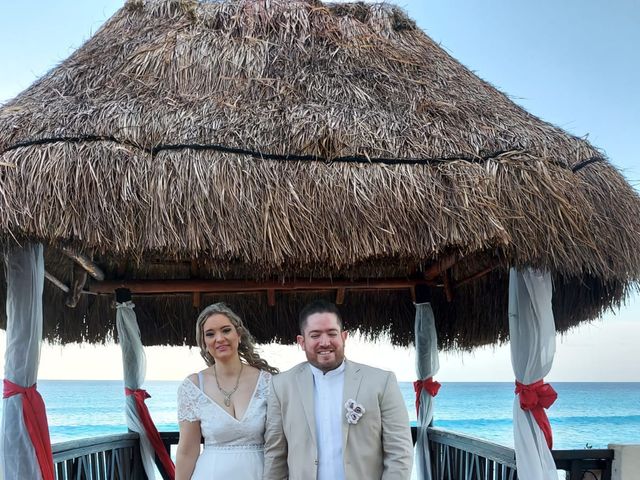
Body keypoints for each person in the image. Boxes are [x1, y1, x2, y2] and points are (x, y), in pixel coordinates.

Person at [263, 299, 413, 480]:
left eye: (332, 333)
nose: (325, 342)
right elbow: (275, 454)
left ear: (344, 337)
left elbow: (400, 451)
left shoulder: (381, 382)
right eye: (315, 335)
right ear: (302, 342)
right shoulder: (281, 386)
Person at [176, 302, 278, 480]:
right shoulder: (192, 386)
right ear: (204, 343)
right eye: (210, 334)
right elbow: (187, 451)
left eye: (226, 330)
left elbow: (281, 442)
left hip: (259, 474)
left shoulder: (267, 382)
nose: (219, 338)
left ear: (238, 335)